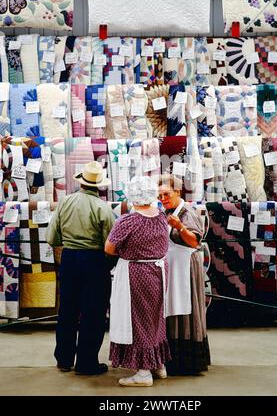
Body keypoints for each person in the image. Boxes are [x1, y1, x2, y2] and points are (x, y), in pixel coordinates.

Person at [46, 161, 115, 375]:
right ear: (100, 186)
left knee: (67, 310)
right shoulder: (103, 208)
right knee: (92, 313)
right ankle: (86, 363)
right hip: (94, 261)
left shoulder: (65, 202)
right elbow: (110, 245)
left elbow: (52, 237)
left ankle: (64, 359)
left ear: (81, 182)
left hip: (69, 259)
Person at [105, 176, 171, 387]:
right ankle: (157, 363)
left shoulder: (128, 221)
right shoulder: (161, 216)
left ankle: (143, 373)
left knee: (138, 319)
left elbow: (109, 248)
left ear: (131, 195)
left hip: (137, 272)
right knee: (155, 317)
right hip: (159, 270)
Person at [158, 173, 211, 376]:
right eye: (160, 195)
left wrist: (179, 226)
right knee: (172, 307)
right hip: (171, 265)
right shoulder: (165, 211)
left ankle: (187, 361)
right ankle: (172, 357)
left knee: (186, 307)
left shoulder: (188, 212)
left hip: (185, 267)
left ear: (177, 192)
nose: (162, 199)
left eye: (166, 194)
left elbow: (194, 242)